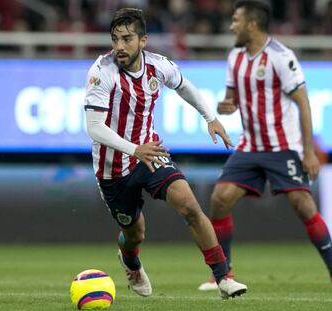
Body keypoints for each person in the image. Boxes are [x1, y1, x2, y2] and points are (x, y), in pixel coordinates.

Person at [84, 8, 247, 299]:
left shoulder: (159, 67)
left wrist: (210, 117)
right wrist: (135, 149)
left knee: (190, 206)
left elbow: (185, 87)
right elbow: (94, 128)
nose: (119, 47)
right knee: (136, 234)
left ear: (143, 41)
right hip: (113, 169)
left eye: (127, 39)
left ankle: (223, 277)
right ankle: (130, 261)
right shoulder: (101, 72)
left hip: (151, 153)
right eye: (115, 39)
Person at [198, 0, 332, 291]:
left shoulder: (281, 57)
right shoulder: (235, 57)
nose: (231, 25)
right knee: (220, 199)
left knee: (304, 206)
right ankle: (224, 273)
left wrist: (308, 151)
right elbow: (231, 99)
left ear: (252, 24)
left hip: (282, 146)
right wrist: (226, 106)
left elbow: (303, 104)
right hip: (250, 146)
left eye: (236, 20)